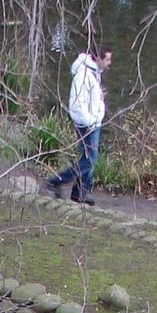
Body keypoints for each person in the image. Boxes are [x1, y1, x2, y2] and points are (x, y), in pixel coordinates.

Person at [47, 46, 112, 205]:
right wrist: (89, 122)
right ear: (98, 58)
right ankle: (57, 180)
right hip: (87, 124)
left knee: (89, 158)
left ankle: (79, 193)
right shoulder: (83, 75)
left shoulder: (94, 73)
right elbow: (76, 104)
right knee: (89, 160)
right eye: (107, 59)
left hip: (94, 123)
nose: (110, 63)